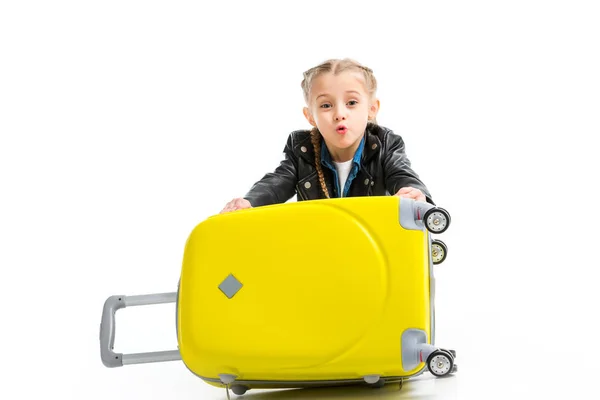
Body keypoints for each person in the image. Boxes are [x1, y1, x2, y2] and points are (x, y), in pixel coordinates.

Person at [220, 58, 433, 214]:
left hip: (370, 248)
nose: (340, 114)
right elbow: (276, 183)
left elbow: (402, 173)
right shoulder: (302, 150)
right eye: (326, 105)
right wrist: (250, 202)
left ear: (371, 109)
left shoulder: (385, 145)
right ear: (310, 116)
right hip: (319, 247)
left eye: (351, 103)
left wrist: (413, 193)